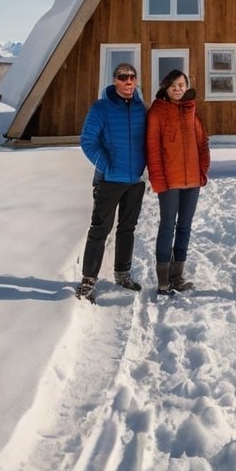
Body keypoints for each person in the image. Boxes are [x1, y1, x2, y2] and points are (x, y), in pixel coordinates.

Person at [76, 63, 147, 300]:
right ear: (114, 80)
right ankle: (88, 279)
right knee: (100, 229)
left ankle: (122, 273)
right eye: (122, 77)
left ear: (136, 81)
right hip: (108, 180)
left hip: (134, 180)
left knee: (127, 228)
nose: (128, 81)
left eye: (132, 77)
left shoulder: (141, 109)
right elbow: (88, 141)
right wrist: (107, 165)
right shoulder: (101, 108)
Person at [146, 69, 210, 296]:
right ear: (165, 87)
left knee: (184, 226)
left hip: (192, 181)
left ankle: (177, 277)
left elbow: (202, 144)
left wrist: (202, 171)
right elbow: (153, 150)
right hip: (170, 182)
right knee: (167, 226)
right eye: (173, 85)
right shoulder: (157, 112)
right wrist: (158, 180)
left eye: (182, 84)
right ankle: (163, 281)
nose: (178, 89)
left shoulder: (191, 110)